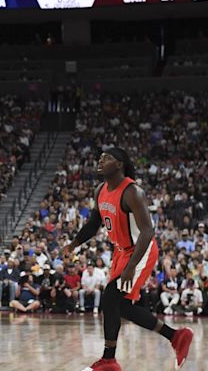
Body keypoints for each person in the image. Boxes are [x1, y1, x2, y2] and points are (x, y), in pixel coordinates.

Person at [64, 148, 193, 371]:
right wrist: (73, 244)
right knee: (120, 306)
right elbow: (94, 224)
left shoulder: (133, 192)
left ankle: (108, 360)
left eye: (107, 157)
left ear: (120, 164)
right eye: (100, 155)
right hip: (121, 252)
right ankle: (176, 336)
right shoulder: (100, 190)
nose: (101, 159)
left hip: (140, 251)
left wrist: (132, 266)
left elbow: (147, 232)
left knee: (110, 297)